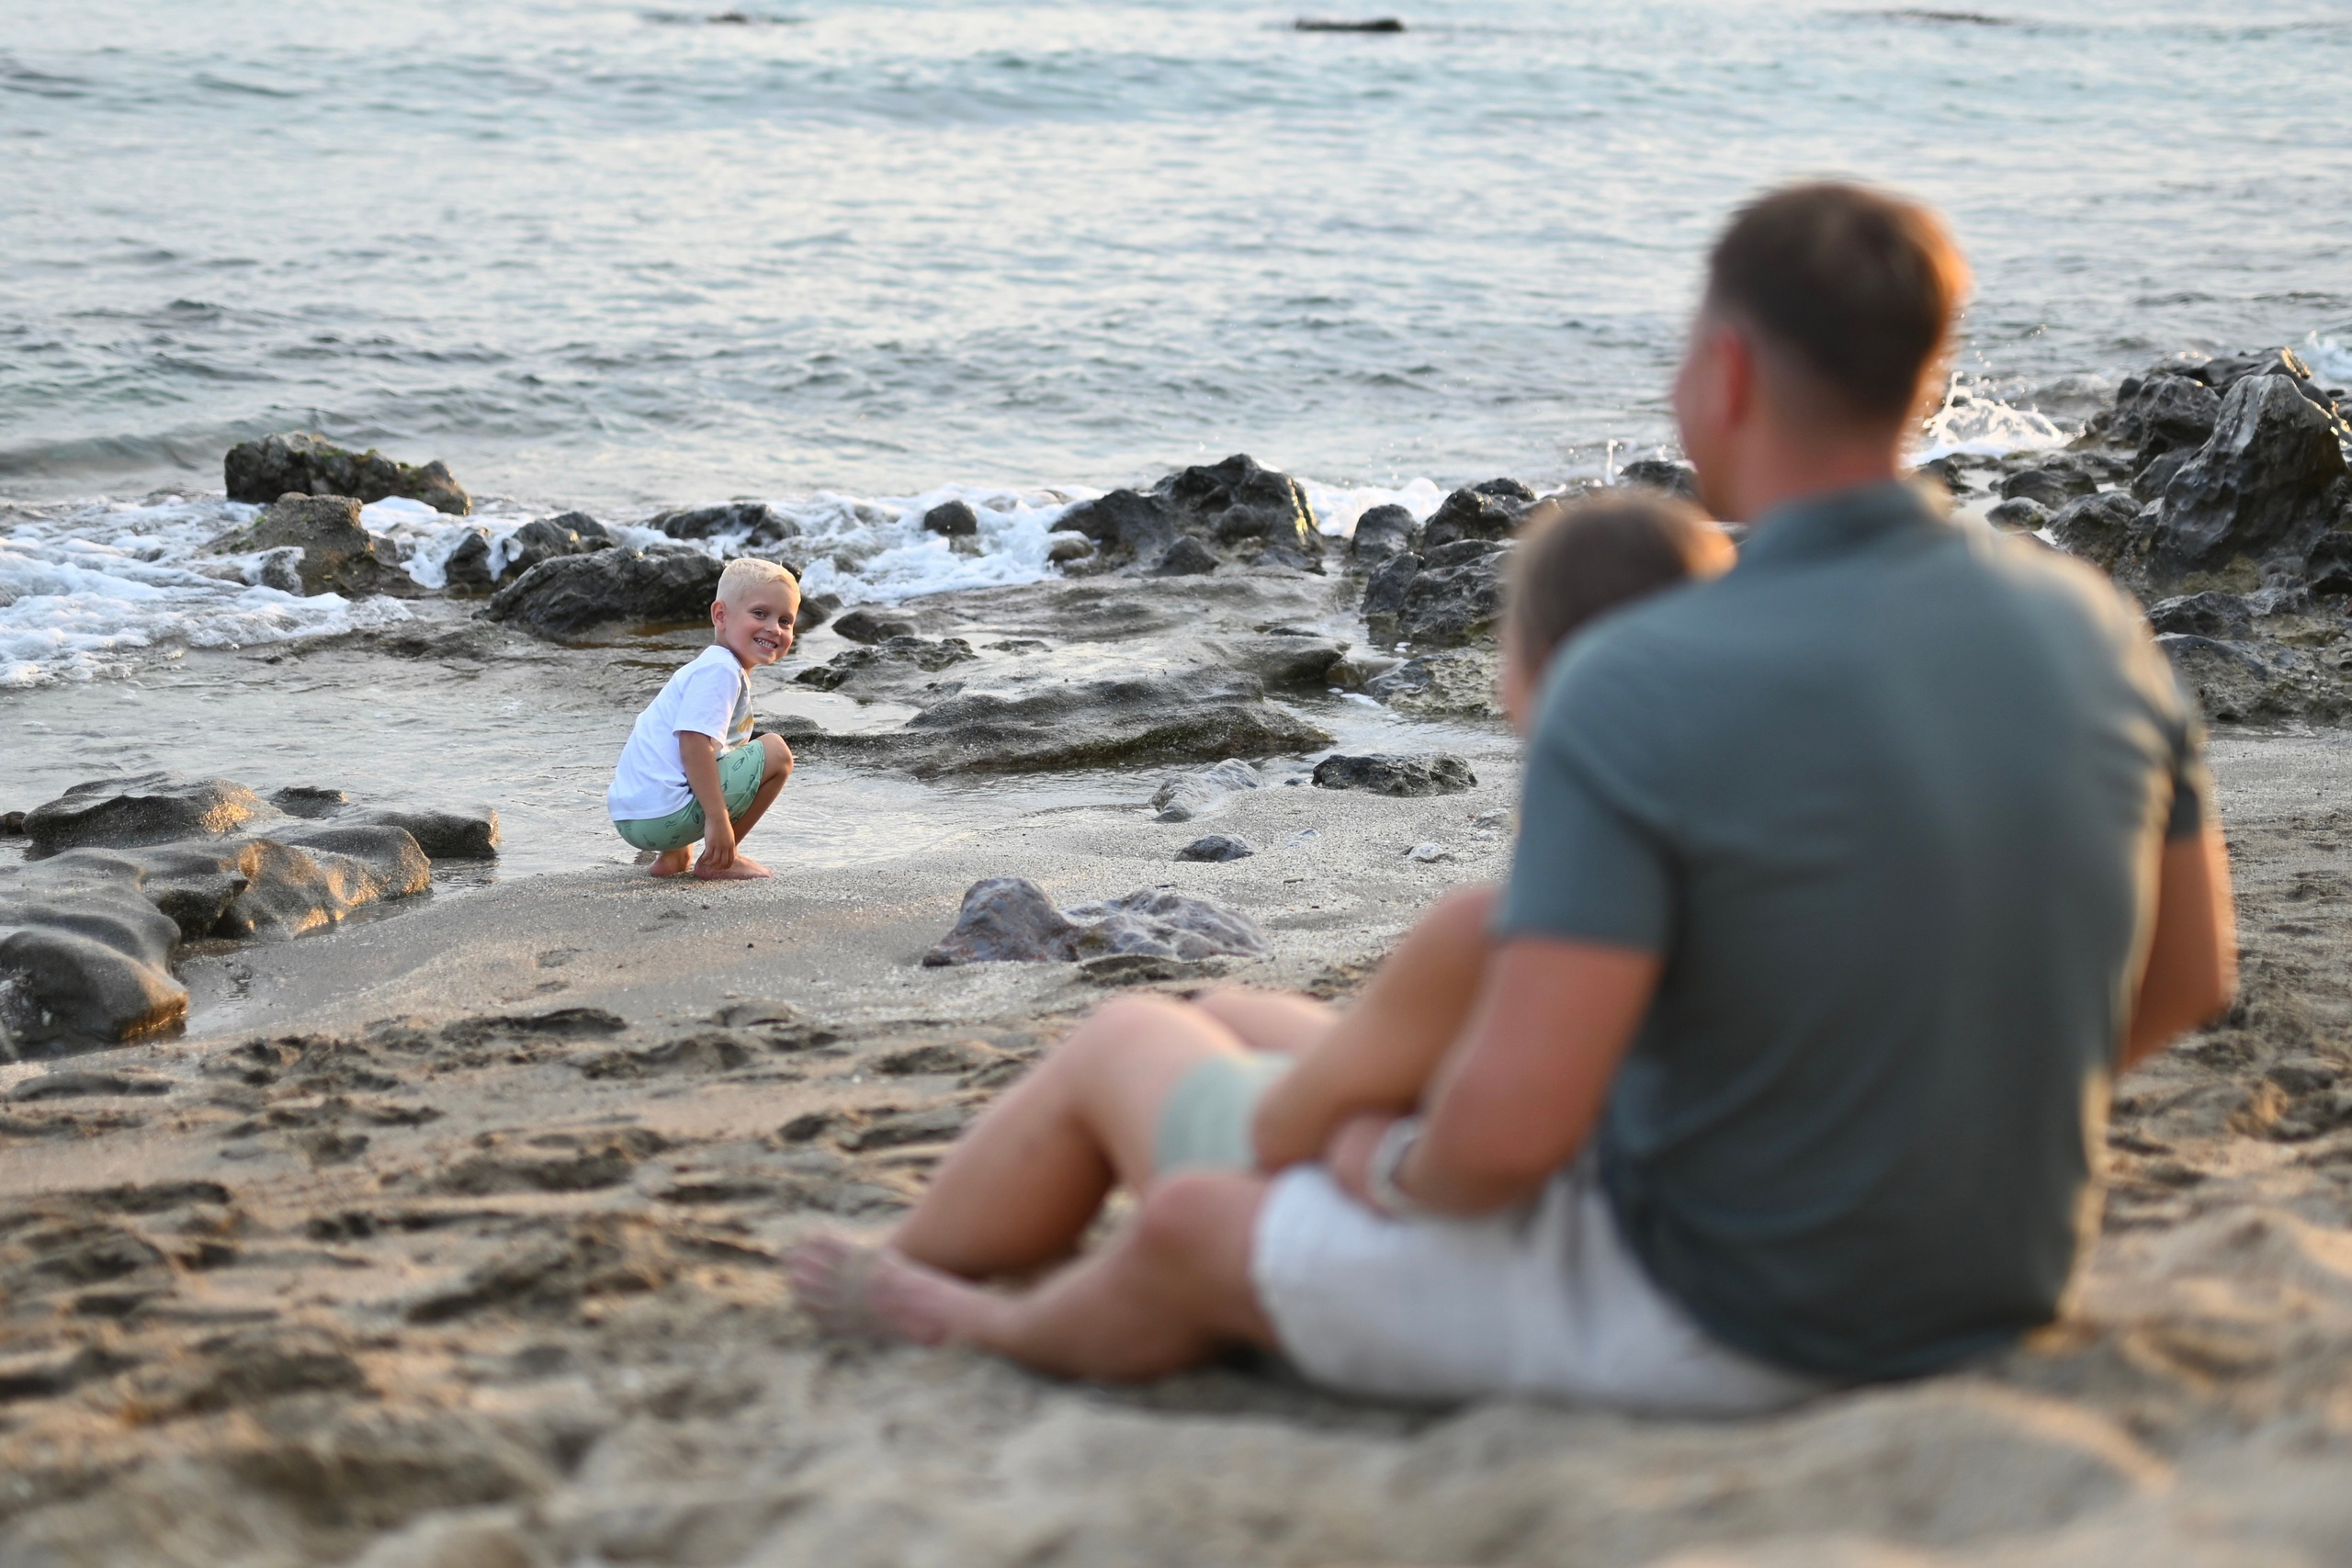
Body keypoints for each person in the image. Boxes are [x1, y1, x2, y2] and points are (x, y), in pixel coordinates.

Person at [794, 182, 2237, 1414]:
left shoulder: (1654, 671)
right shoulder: (2094, 627)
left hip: (1738, 1315)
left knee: (1187, 1218)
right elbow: (2184, 980)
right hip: (2002, 1271)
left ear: (1725, 373)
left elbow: (1497, 1141)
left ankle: (956, 1312)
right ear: (1928, 376)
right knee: (1223, 1027)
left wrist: (1380, 1155)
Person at [790, 491, 1746, 1393]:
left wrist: (1366, 1142)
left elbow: (1352, 1138)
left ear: (1524, 670)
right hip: (1637, 1198)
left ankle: (942, 1294)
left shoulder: (1506, 924)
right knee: (1235, 1012)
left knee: (1129, 1037)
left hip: (1568, 1261)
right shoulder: (1754, 843)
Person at [606, 557, 798, 881]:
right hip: (663, 815)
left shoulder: (708, 667)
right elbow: (693, 744)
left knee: (730, 752)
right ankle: (720, 859)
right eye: (760, 613)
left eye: (786, 620)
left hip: (634, 817)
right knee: (777, 752)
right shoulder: (720, 670)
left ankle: (675, 856)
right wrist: (717, 818)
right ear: (721, 615)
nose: (774, 628)